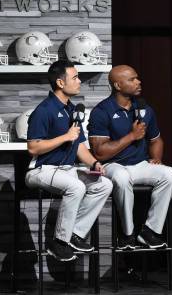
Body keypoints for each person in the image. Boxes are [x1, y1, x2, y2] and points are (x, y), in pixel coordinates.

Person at [25, 60, 113, 262]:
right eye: (74, 77)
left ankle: (75, 234)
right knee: (76, 187)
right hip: (40, 170)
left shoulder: (72, 110)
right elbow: (33, 147)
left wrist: (93, 164)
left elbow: (80, 146)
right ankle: (59, 243)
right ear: (60, 83)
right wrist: (65, 137)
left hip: (66, 170)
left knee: (104, 185)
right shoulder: (44, 110)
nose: (79, 81)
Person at [89, 65, 172, 249]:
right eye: (132, 79)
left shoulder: (144, 109)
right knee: (122, 177)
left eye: (137, 78)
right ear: (118, 85)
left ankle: (150, 232)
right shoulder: (102, 111)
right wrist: (131, 136)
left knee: (169, 174)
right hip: (113, 166)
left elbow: (156, 140)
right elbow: (99, 152)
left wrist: (156, 158)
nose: (138, 82)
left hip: (139, 164)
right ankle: (127, 234)